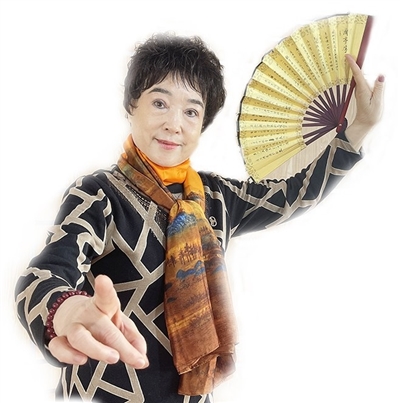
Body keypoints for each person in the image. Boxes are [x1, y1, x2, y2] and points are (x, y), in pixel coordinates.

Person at [15, 33, 384, 403]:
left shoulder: (216, 198)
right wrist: (65, 309)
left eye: (191, 111)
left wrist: (357, 129)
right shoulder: (100, 194)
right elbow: (46, 273)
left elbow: (293, 194)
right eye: (159, 103)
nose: (174, 124)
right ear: (131, 105)